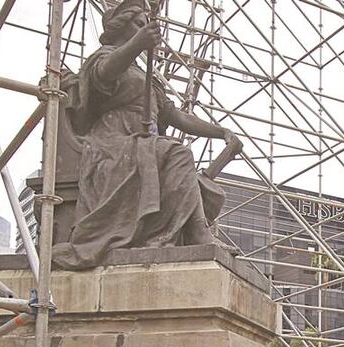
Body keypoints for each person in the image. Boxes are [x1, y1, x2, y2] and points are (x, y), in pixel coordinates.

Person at [53, 0, 243, 269]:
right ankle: (199, 232)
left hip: (145, 142)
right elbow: (105, 74)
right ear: (120, 27)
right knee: (177, 152)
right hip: (113, 140)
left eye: (146, 26)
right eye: (138, 24)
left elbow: (176, 116)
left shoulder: (146, 75)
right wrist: (137, 45)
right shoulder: (104, 57)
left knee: (176, 156)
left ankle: (187, 230)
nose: (145, 29)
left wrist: (220, 131)